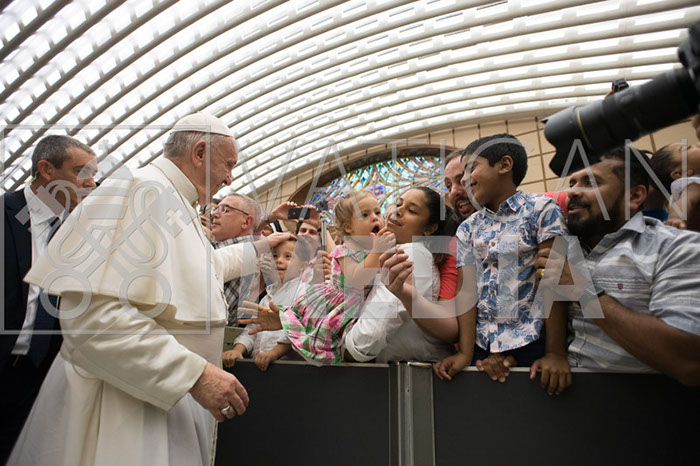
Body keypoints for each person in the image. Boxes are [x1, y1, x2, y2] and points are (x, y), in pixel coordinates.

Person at [9, 114, 293, 466]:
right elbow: (93, 318)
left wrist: (260, 248)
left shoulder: (174, 199)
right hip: (121, 410)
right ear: (200, 153)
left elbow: (200, 268)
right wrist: (194, 375)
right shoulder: (139, 191)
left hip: (155, 401)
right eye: (228, 164)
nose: (229, 178)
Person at [535, 147, 700, 385]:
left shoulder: (677, 247)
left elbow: (689, 362)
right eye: (572, 183)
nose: (572, 192)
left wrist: (583, 290)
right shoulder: (561, 249)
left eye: (591, 183)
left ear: (634, 196)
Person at [1, 135, 97, 463]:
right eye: (81, 172)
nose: (91, 183)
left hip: (39, 374)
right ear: (46, 170)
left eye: (94, 174)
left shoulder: (78, 231)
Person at [342, 187, 458, 363]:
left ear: (428, 229)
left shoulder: (410, 254)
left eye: (411, 210)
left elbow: (376, 326)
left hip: (421, 371)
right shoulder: (393, 252)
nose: (398, 211)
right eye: (398, 204)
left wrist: (346, 352)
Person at [223, 238, 300, 371]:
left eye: (288, 256)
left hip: (289, 369)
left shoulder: (303, 294)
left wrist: (274, 353)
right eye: (275, 256)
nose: (279, 260)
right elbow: (252, 330)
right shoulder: (267, 297)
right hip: (259, 368)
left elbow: (298, 331)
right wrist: (237, 350)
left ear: (304, 266)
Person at [211, 194, 262, 325]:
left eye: (225, 210)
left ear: (246, 222)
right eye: (215, 209)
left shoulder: (251, 256)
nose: (214, 214)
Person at [648, 141, 700, 232]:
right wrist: (675, 218)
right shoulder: (693, 184)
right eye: (688, 148)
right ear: (680, 173)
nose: (697, 144)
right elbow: (685, 200)